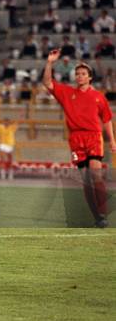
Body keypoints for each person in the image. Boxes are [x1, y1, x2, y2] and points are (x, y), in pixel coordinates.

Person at [43, 49, 115, 228]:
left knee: (96, 174)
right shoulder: (67, 93)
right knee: (85, 179)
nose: (79, 76)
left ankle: (103, 212)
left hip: (94, 137)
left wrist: (112, 141)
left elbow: (107, 119)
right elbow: (47, 82)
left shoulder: (99, 97)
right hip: (76, 139)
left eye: (83, 73)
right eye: (77, 74)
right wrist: (49, 62)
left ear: (90, 77)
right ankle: (98, 217)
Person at [0, 113, 19, 180]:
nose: (6, 122)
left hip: (10, 145)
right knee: (2, 159)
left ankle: (10, 174)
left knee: (10, 160)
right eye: (5, 121)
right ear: (3, 122)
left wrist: (21, 117)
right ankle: (3, 174)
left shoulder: (12, 127)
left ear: (9, 122)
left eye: (7, 121)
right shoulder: (0, 127)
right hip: (3, 145)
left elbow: (18, 122)